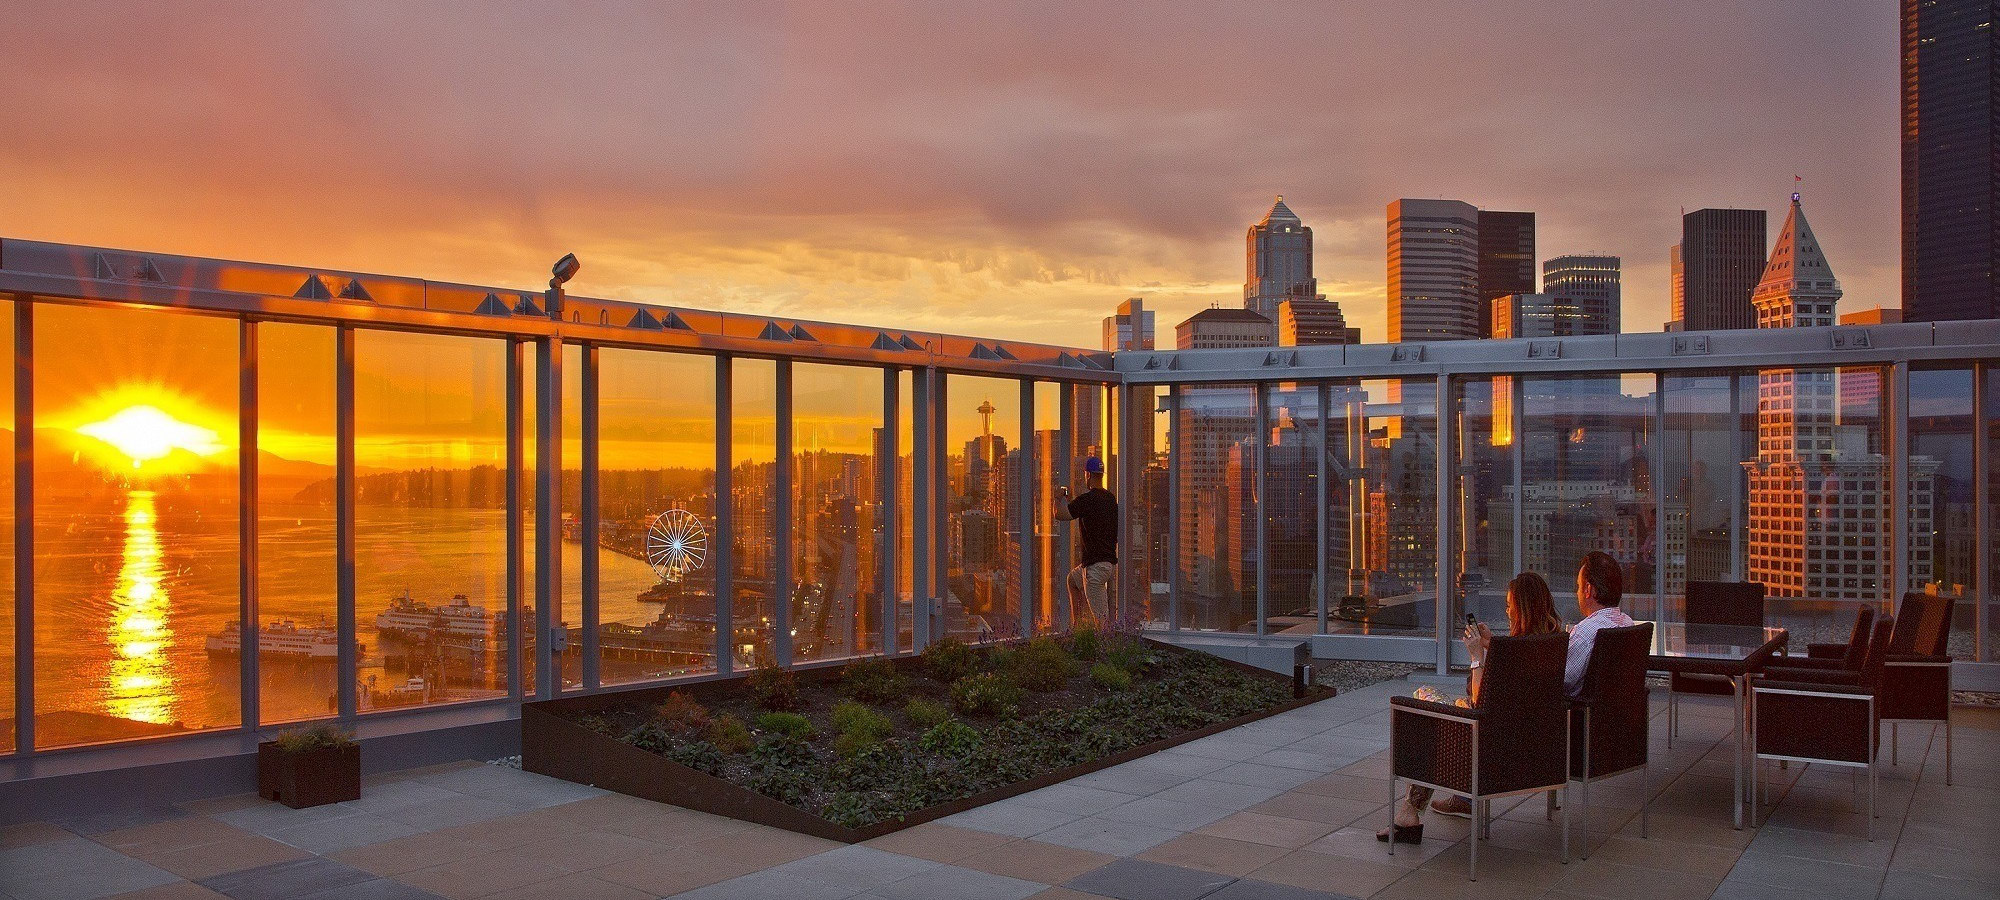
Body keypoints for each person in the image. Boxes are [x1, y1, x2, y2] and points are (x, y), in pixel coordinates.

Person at [1379, 572, 1564, 844]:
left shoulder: (1512, 654)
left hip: (1488, 749)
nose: (1507, 610)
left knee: (1424, 704)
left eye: (1510, 605)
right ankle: (1451, 802)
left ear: (1522, 608)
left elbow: (1479, 704)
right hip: (1532, 749)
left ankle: (1409, 813)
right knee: (1442, 707)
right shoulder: (1555, 644)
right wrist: (1493, 645)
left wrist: (1477, 656)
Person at [1054, 456, 1118, 628]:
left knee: (1102, 623)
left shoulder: (1087, 500)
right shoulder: (1110, 499)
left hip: (1095, 568)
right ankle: (1078, 626)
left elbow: (1061, 515)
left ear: (1088, 475)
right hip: (1107, 564)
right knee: (1072, 580)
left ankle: (1101, 648)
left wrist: (1058, 498)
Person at [1567, 550, 1635, 697]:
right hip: (1618, 714)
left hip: (1582, 715)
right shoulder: (1628, 625)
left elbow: (1562, 681)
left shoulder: (1585, 633)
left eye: (1579, 586)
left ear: (1588, 590)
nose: (1577, 592)